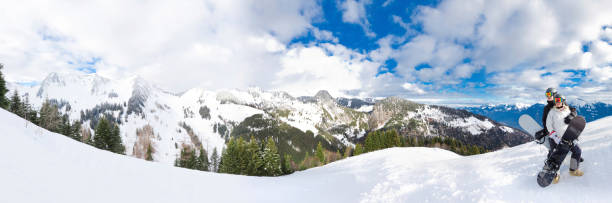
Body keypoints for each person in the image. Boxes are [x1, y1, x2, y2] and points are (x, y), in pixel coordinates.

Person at [543, 93, 583, 183]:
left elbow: (573, 122)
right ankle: (555, 174)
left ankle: (573, 170)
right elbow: (548, 125)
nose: (556, 102)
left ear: (562, 101)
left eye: (558, 100)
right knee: (555, 156)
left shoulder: (567, 110)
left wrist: (574, 134)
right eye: (555, 101)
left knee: (577, 151)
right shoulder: (552, 112)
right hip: (555, 138)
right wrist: (554, 136)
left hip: (568, 136)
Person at [535, 88, 557, 152]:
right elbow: (544, 120)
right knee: (553, 149)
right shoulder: (546, 108)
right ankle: (551, 157)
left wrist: (572, 114)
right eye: (546, 94)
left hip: (560, 130)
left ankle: (575, 154)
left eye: (549, 94)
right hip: (551, 132)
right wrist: (546, 130)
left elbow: (571, 110)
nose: (548, 96)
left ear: (554, 95)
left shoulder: (560, 104)